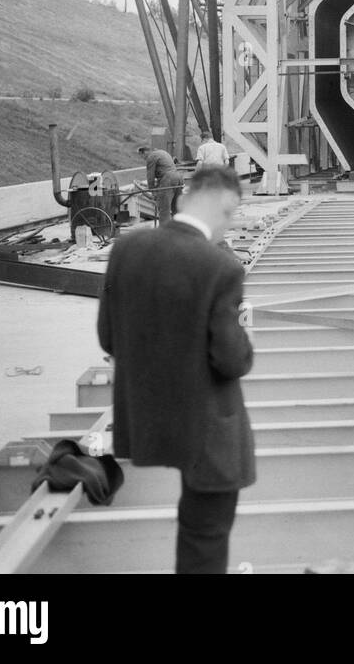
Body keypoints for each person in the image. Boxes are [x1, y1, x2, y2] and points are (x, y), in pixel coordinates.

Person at [97, 165, 255, 574]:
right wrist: (242, 332)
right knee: (205, 533)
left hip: (148, 420)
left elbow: (108, 337)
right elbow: (231, 360)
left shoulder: (126, 250)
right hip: (207, 431)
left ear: (184, 198)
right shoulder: (221, 268)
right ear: (226, 205)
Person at [138, 144, 184, 224]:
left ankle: (163, 233)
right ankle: (180, 229)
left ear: (144, 152)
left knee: (164, 209)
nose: (143, 158)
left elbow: (150, 176)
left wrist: (152, 190)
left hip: (169, 179)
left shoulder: (151, 157)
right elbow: (163, 172)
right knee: (176, 208)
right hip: (178, 177)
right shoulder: (162, 152)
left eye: (141, 156)